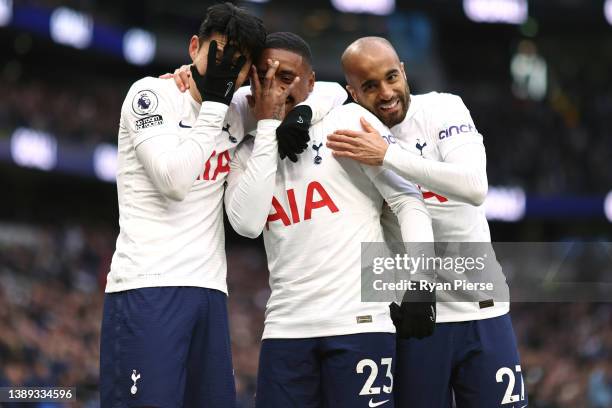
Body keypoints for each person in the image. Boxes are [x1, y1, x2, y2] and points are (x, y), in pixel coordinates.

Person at [222, 32, 436, 408]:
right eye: (263, 77)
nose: (274, 88)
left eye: (286, 78)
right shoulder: (245, 148)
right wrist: (270, 129)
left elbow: (408, 202)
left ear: (311, 82)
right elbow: (246, 224)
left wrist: (420, 282)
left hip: (359, 322)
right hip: (285, 328)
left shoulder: (348, 120)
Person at [326, 36, 526, 407]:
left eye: (391, 77)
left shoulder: (443, 109)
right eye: (370, 86)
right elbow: (309, 88)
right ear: (352, 92)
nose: (386, 93)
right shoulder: (351, 132)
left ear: (403, 71)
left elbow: (474, 186)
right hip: (413, 315)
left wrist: (389, 156)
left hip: (482, 306)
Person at [99, 3, 269, 407]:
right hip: (147, 287)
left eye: (239, 64)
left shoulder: (238, 111)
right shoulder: (150, 94)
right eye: (219, 54)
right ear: (194, 47)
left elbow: (317, 92)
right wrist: (212, 106)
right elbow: (174, 181)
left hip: (210, 293)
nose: (228, 69)